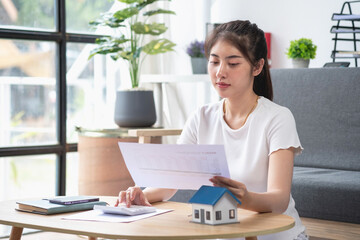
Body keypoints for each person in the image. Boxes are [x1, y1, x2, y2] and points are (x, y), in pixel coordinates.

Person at [116, 20, 308, 240]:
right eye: (214, 62)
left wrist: (245, 198)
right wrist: (143, 194)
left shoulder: (277, 118)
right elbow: (172, 180)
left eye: (233, 64)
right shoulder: (201, 117)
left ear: (257, 67)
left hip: (276, 236)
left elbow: (279, 200)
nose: (220, 72)